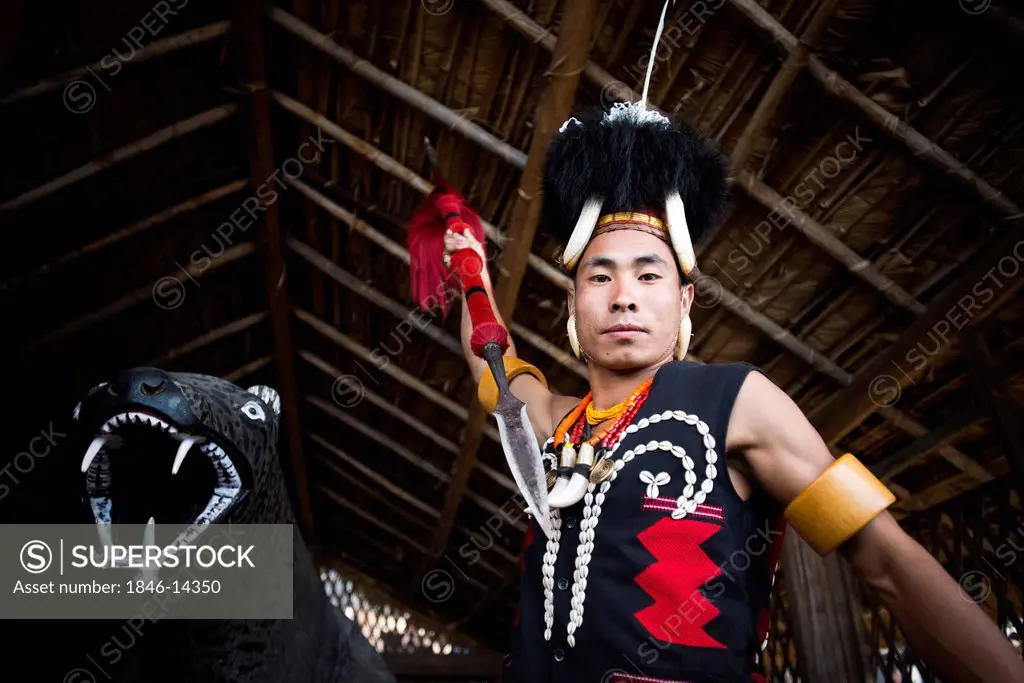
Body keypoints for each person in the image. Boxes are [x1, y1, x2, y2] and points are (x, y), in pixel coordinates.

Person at [442, 101, 1024, 683]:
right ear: (572, 305)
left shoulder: (740, 402)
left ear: (684, 301)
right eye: (599, 277)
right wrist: (472, 266)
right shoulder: (552, 422)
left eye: (648, 275)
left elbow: (887, 562)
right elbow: (494, 364)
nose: (624, 296)